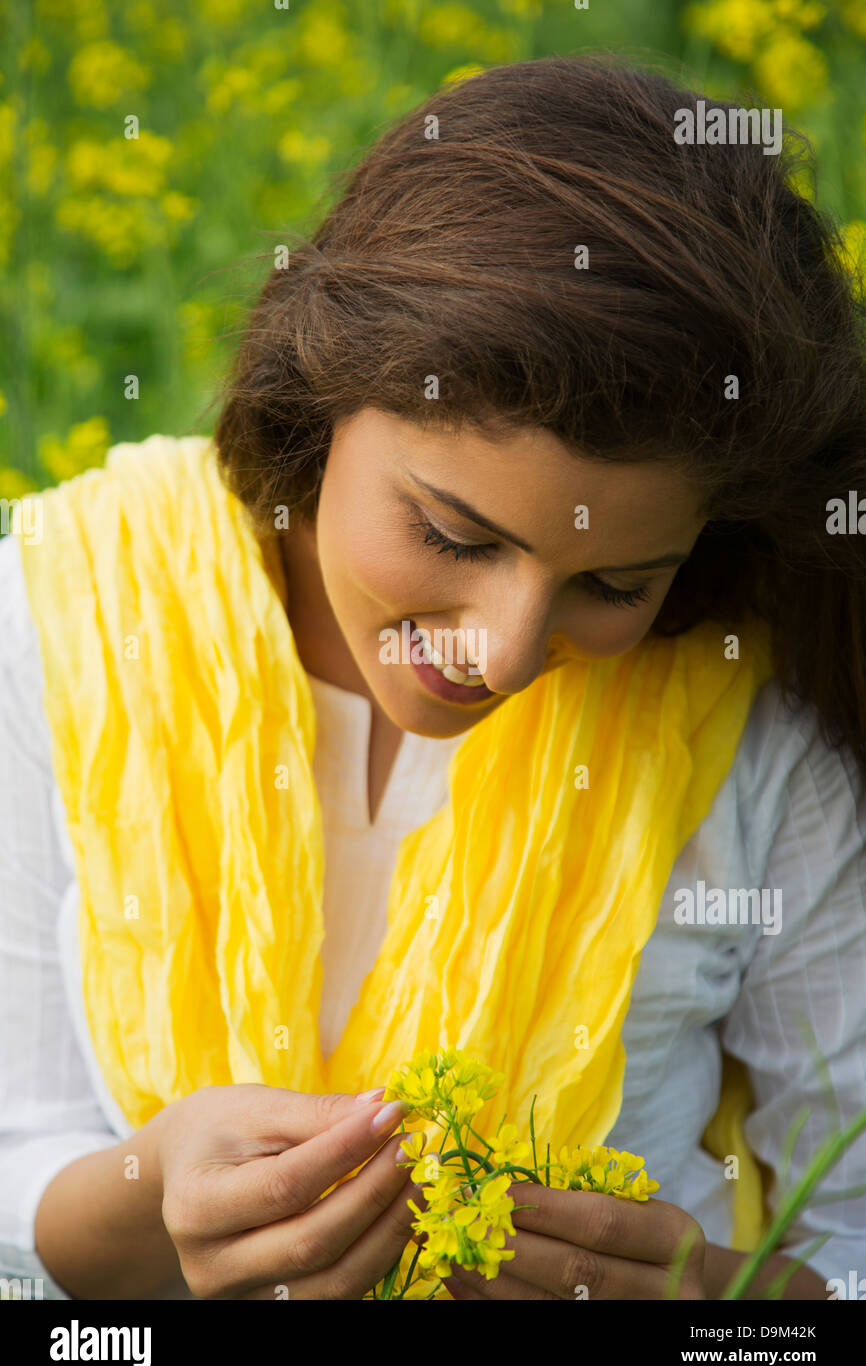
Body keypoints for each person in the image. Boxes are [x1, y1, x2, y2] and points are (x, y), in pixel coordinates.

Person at [1, 55, 864, 1302]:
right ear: (320, 389)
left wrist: (721, 1308)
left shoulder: (747, 724)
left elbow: (845, 1228)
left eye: (612, 585)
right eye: (454, 537)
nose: (502, 650)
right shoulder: (62, 618)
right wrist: (132, 1212)